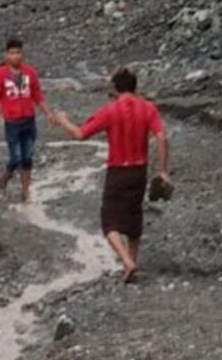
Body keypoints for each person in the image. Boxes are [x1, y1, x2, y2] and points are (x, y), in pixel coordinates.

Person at [54, 67, 170, 283]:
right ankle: (132, 261)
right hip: (139, 170)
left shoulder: (110, 110)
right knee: (134, 217)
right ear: (135, 87)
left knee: (110, 222)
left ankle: (126, 261)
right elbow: (162, 137)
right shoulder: (148, 108)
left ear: (116, 89)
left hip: (118, 170)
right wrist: (163, 171)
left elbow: (80, 134)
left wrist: (62, 120)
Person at [0, 38, 55, 202]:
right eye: (12, 53)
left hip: (29, 120)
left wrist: (48, 113)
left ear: (22, 53)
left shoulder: (30, 73)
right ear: (6, 55)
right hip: (12, 122)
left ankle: (25, 191)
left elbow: (37, 95)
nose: (15, 56)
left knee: (28, 157)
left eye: (18, 52)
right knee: (15, 157)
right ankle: (5, 179)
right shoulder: (0, 75)